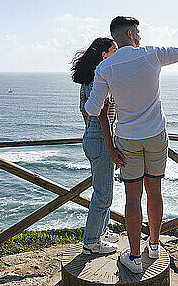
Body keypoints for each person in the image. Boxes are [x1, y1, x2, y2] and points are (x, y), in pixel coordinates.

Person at [84, 16, 178, 274]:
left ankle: (133, 258)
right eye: (138, 33)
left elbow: (92, 109)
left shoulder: (105, 68)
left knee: (133, 196)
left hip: (128, 139)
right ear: (131, 34)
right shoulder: (152, 55)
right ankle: (154, 245)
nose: (140, 37)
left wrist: (110, 100)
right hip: (156, 135)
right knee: (154, 191)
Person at [71, 37, 122, 254]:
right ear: (104, 55)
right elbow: (103, 117)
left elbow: (85, 113)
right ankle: (91, 243)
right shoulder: (100, 81)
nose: (117, 54)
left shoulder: (87, 81)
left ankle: (102, 230)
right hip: (101, 139)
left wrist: (92, 135)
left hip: (90, 136)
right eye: (114, 51)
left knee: (103, 188)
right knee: (103, 194)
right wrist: (111, 147)